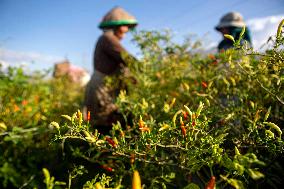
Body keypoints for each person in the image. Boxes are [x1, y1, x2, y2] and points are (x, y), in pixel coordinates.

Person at [84, 7, 138, 134]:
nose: (124, 34)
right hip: (102, 87)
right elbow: (126, 58)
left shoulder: (107, 39)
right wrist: (149, 70)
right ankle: (104, 152)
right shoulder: (107, 38)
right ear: (116, 27)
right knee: (105, 123)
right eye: (124, 28)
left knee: (111, 123)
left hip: (106, 86)